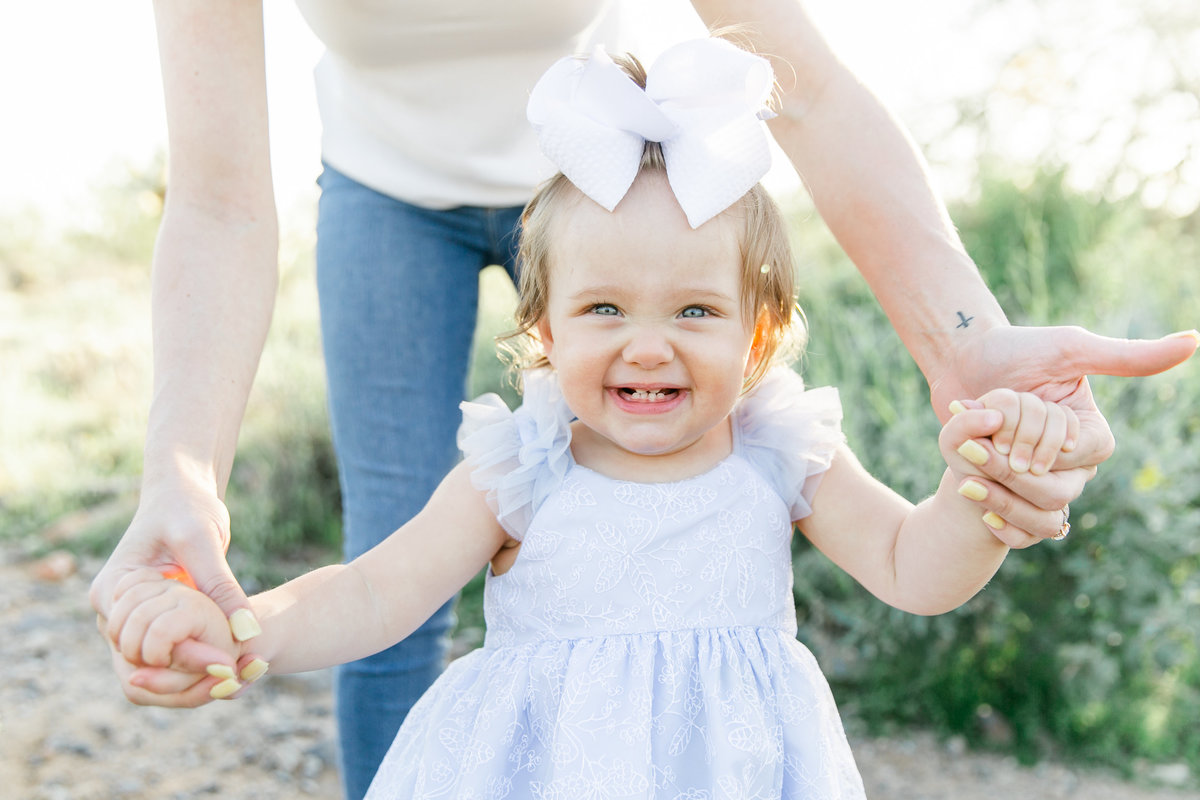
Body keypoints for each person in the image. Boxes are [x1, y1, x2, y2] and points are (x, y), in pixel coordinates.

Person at [90, 3, 1199, 798]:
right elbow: (378, 587)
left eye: (698, 314)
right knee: (386, 511)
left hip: (614, 192)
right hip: (388, 181)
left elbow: (917, 566)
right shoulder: (519, 465)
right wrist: (237, 628)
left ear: (763, 335)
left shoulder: (779, 448)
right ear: (545, 338)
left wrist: (980, 483)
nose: (651, 346)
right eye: (608, 314)